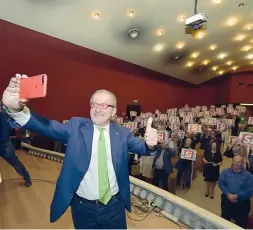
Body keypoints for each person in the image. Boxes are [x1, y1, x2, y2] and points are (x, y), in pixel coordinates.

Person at [2, 73, 158, 229]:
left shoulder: (123, 133)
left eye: (104, 105)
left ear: (114, 111)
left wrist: (151, 144)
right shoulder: (76, 127)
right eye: (94, 104)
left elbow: (143, 149)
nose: (97, 109)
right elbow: (47, 127)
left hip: (115, 206)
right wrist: (16, 109)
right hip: (83, 207)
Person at [0, 101, 32, 187]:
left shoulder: (5, 115)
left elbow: (17, 126)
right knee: (16, 163)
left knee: (16, 163)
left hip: (5, 146)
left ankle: (27, 177)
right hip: (5, 144)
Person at [218, 155, 253, 228]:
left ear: (243, 163)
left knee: (240, 223)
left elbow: (249, 190)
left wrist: (236, 196)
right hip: (226, 200)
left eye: (238, 162)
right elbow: (221, 183)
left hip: (242, 204)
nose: (236, 163)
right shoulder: (225, 171)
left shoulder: (249, 176)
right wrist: (228, 194)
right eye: (234, 161)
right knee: (224, 220)